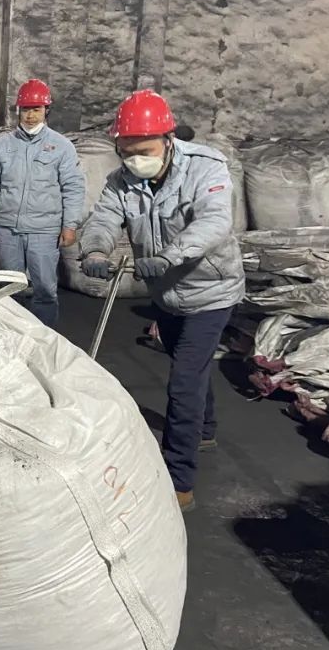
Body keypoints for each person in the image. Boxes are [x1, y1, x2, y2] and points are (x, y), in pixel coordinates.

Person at [79, 89, 245, 512]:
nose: (136, 160)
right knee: (189, 366)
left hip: (211, 291)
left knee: (184, 380)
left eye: (145, 151)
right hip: (167, 294)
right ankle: (204, 428)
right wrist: (94, 250)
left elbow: (214, 221)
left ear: (168, 140)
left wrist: (170, 256)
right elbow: (104, 218)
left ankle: (178, 481)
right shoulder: (122, 181)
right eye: (127, 152)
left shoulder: (205, 167)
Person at [0, 78, 84, 327]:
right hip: (8, 229)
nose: (31, 115)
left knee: (44, 290)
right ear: (18, 111)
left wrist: (70, 225)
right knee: (9, 289)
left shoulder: (61, 146)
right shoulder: (3, 146)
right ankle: (13, 335)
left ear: (47, 110)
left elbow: (73, 187)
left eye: (36, 109)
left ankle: (43, 338)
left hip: (43, 231)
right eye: (26, 109)